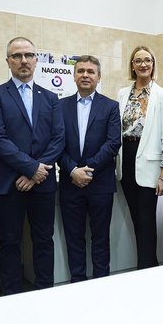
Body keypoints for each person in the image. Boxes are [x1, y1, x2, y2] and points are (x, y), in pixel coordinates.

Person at [0, 37, 64, 293]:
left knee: (44, 240)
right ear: (8, 61)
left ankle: (45, 291)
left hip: (43, 182)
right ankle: (11, 295)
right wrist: (31, 168)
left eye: (29, 55)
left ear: (36, 60)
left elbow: (58, 138)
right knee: (10, 242)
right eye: (17, 56)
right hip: (10, 183)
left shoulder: (50, 98)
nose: (23, 60)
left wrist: (36, 172)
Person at [58, 55, 121, 282]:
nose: (85, 75)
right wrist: (72, 170)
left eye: (91, 71)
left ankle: (101, 285)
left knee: (100, 238)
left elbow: (113, 143)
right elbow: (56, 143)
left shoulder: (111, 106)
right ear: (74, 76)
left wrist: (86, 169)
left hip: (100, 184)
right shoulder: (60, 106)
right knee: (74, 238)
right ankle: (77, 283)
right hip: (70, 183)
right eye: (81, 71)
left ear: (99, 77)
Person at [116, 45, 163, 269]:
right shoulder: (123, 93)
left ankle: (148, 268)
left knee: (147, 220)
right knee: (136, 219)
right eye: (138, 60)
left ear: (153, 64)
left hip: (150, 164)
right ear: (132, 65)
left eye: (147, 60)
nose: (143, 64)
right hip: (126, 160)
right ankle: (147, 267)